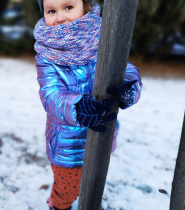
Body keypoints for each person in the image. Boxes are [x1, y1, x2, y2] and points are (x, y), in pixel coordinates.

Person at [34, 0, 142, 209]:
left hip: (102, 133)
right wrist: (77, 106)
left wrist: (129, 87)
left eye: (68, 7)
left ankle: (91, 202)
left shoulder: (101, 38)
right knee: (68, 189)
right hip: (68, 144)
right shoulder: (46, 54)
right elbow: (50, 94)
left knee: (94, 180)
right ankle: (58, 205)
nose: (60, 17)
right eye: (51, 11)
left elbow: (126, 69)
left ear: (86, 6)